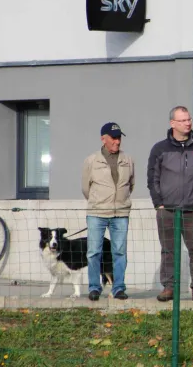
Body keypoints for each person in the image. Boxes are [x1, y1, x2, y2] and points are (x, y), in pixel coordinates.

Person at [147, 106, 193, 302]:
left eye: (189, 119)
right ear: (173, 124)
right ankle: (169, 287)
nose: (188, 123)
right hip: (167, 210)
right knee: (168, 250)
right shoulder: (159, 149)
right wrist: (159, 204)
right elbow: (152, 178)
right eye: (183, 120)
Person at [82, 122, 135, 301]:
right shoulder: (91, 160)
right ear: (103, 139)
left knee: (120, 252)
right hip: (97, 213)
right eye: (113, 138)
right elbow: (85, 188)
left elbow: (131, 185)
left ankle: (118, 288)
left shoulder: (128, 160)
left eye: (119, 137)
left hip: (120, 213)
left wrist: (120, 201)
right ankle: (94, 287)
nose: (117, 141)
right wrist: (100, 201)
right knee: (94, 252)